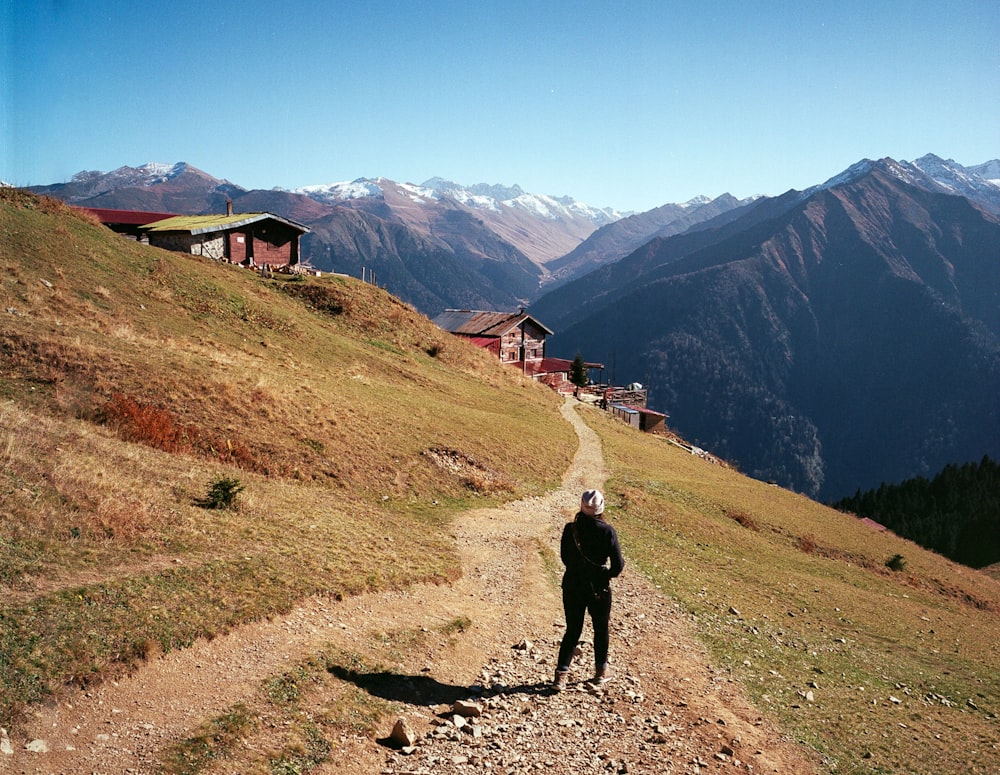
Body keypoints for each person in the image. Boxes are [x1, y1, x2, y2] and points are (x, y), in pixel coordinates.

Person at [553, 488, 625, 691]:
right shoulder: (608, 531)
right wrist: (605, 575)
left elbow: (565, 558)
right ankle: (601, 673)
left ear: (581, 506)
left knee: (573, 629)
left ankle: (561, 676)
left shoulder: (570, 529)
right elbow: (618, 565)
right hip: (598, 588)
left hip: (573, 584)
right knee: (600, 629)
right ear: (601, 507)